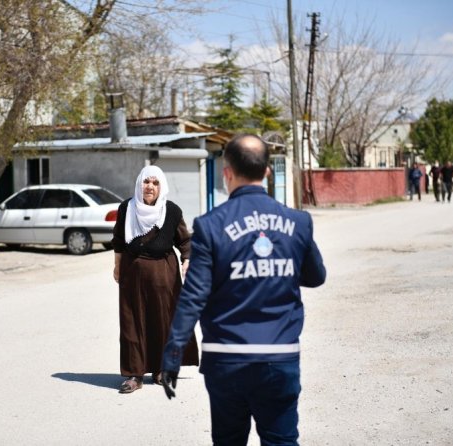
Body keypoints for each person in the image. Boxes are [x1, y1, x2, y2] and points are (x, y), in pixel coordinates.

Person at [160, 134, 326, 445]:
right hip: (279, 358)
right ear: (266, 172)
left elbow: (193, 297)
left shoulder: (209, 225)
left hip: (226, 361)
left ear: (227, 173)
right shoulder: (298, 221)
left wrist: (171, 356)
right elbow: (316, 277)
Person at [111, 165, 199, 394]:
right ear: (140, 183)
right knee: (132, 323)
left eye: (155, 183)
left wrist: (187, 260)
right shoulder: (126, 208)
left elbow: (185, 241)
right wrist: (117, 266)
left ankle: (161, 370)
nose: (150, 187)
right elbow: (119, 241)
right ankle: (134, 374)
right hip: (132, 274)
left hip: (164, 276)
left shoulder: (171, 211)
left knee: (162, 322)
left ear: (161, 187)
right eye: (146, 182)